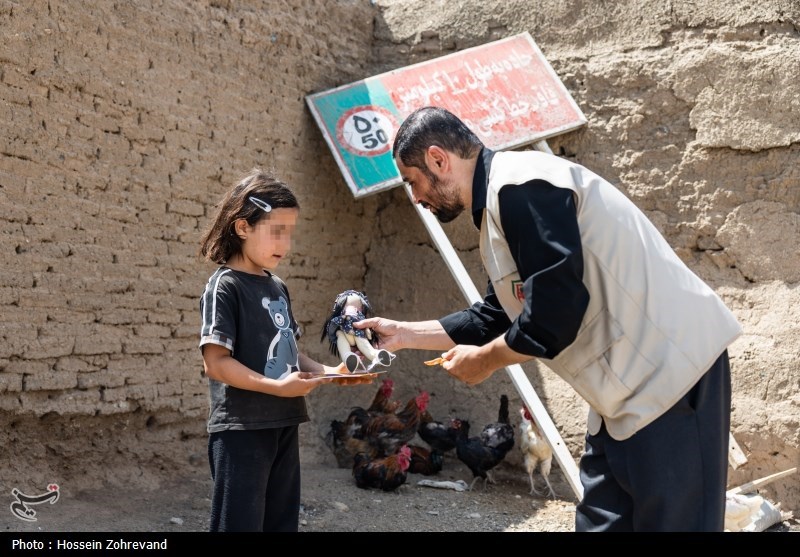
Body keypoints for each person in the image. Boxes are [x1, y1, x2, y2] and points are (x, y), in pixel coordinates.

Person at [356, 106, 742, 532]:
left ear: (438, 160)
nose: (416, 198)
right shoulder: (499, 206)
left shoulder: (523, 185)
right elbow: (496, 314)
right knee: (601, 523)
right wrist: (403, 335)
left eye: (413, 182)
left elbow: (555, 310)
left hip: (672, 377)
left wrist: (486, 360)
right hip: (623, 395)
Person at [198, 168, 371, 532]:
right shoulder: (224, 287)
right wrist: (275, 387)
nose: (286, 244)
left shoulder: (276, 286)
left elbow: (292, 353)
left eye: (289, 233)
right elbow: (216, 363)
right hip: (240, 429)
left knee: (281, 523)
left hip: (284, 422)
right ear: (242, 227)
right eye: (276, 232)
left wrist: (332, 373)